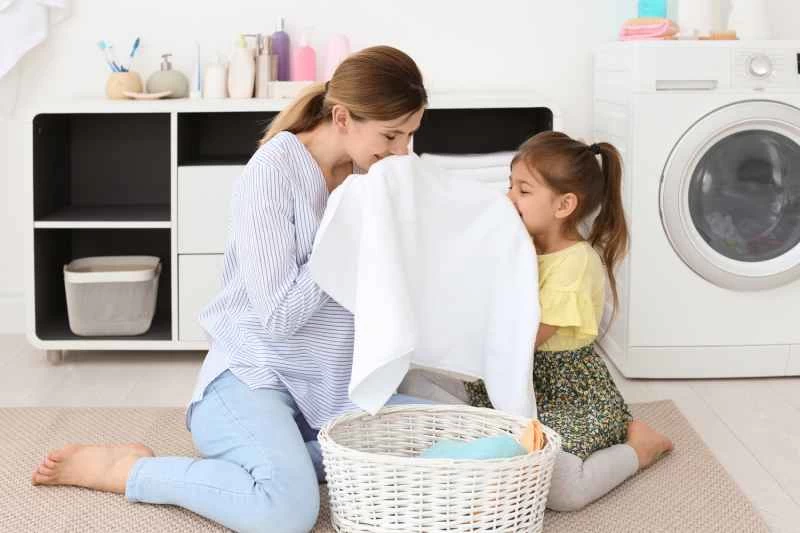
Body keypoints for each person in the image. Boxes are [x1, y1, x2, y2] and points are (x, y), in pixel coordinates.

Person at [31, 45, 428, 533]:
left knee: (441, 435)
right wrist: (345, 235)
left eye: (410, 135)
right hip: (252, 378)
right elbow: (280, 316)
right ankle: (129, 470)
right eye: (392, 136)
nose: (402, 152)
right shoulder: (273, 173)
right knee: (286, 512)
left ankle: (284, 460)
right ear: (342, 117)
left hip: (332, 386)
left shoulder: (372, 175)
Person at [464, 131, 673, 511]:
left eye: (523, 191)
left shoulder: (575, 263)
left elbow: (525, 338)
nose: (509, 198)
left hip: (568, 393)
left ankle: (641, 447)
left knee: (562, 491)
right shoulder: (523, 245)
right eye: (510, 186)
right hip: (516, 380)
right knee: (417, 386)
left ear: (564, 205)